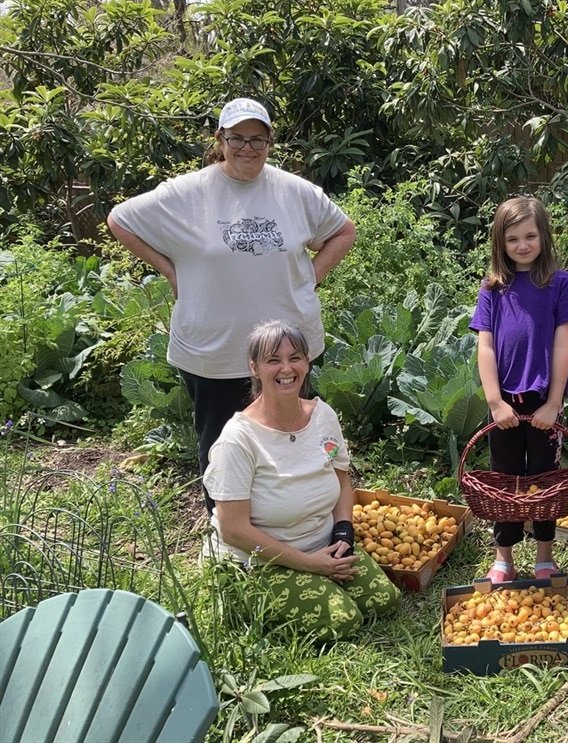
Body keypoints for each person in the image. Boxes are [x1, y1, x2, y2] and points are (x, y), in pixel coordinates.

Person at [107, 98, 356, 512]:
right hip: (215, 349)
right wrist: (172, 272)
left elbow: (343, 231)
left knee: (291, 436)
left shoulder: (294, 191)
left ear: (270, 142)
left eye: (258, 139)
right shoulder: (186, 193)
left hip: (287, 350)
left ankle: (292, 523)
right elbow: (120, 220)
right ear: (220, 139)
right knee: (221, 444)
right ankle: (227, 533)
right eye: (237, 137)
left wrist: (310, 277)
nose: (247, 148)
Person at [202, 320, 398, 642]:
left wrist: (343, 533)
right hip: (258, 560)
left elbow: (343, 482)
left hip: (322, 545)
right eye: (273, 360)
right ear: (254, 367)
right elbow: (232, 529)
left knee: (383, 600)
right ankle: (239, 599)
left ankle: (321, 578)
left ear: (307, 363)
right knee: (343, 621)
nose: (286, 368)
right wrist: (311, 565)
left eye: (295, 357)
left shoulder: (323, 417)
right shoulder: (238, 440)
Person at [469, 196, 568, 583]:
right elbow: (485, 346)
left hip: (543, 403)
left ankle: (544, 555)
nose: (522, 245)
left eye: (530, 236)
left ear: (544, 237)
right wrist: (494, 401)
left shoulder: (561, 283)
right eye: (513, 239)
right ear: (499, 244)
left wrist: (554, 402)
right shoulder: (493, 287)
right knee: (503, 478)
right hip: (504, 402)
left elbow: (562, 344)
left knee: (544, 478)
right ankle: (503, 556)